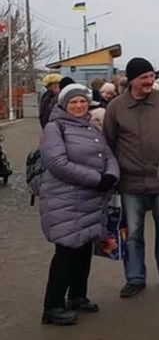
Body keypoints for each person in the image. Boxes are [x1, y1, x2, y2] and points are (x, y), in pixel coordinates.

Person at [39, 83, 120, 325]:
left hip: (89, 199)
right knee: (66, 251)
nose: (79, 105)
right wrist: (97, 179)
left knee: (83, 248)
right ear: (64, 105)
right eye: (73, 102)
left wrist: (111, 176)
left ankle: (77, 296)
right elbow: (57, 164)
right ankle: (52, 306)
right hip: (64, 200)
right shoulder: (55, 128)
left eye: (82, 101)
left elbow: (108, 156)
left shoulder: (90, 127)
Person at [104, 57, 159, 298]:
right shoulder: (116, 107)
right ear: (132, 81)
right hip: (131, 182)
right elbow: (109, 142)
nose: (149, 81)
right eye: (144, 78)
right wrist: (112, 176)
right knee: (133, 232)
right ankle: (135, 277)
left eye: (151, 76)